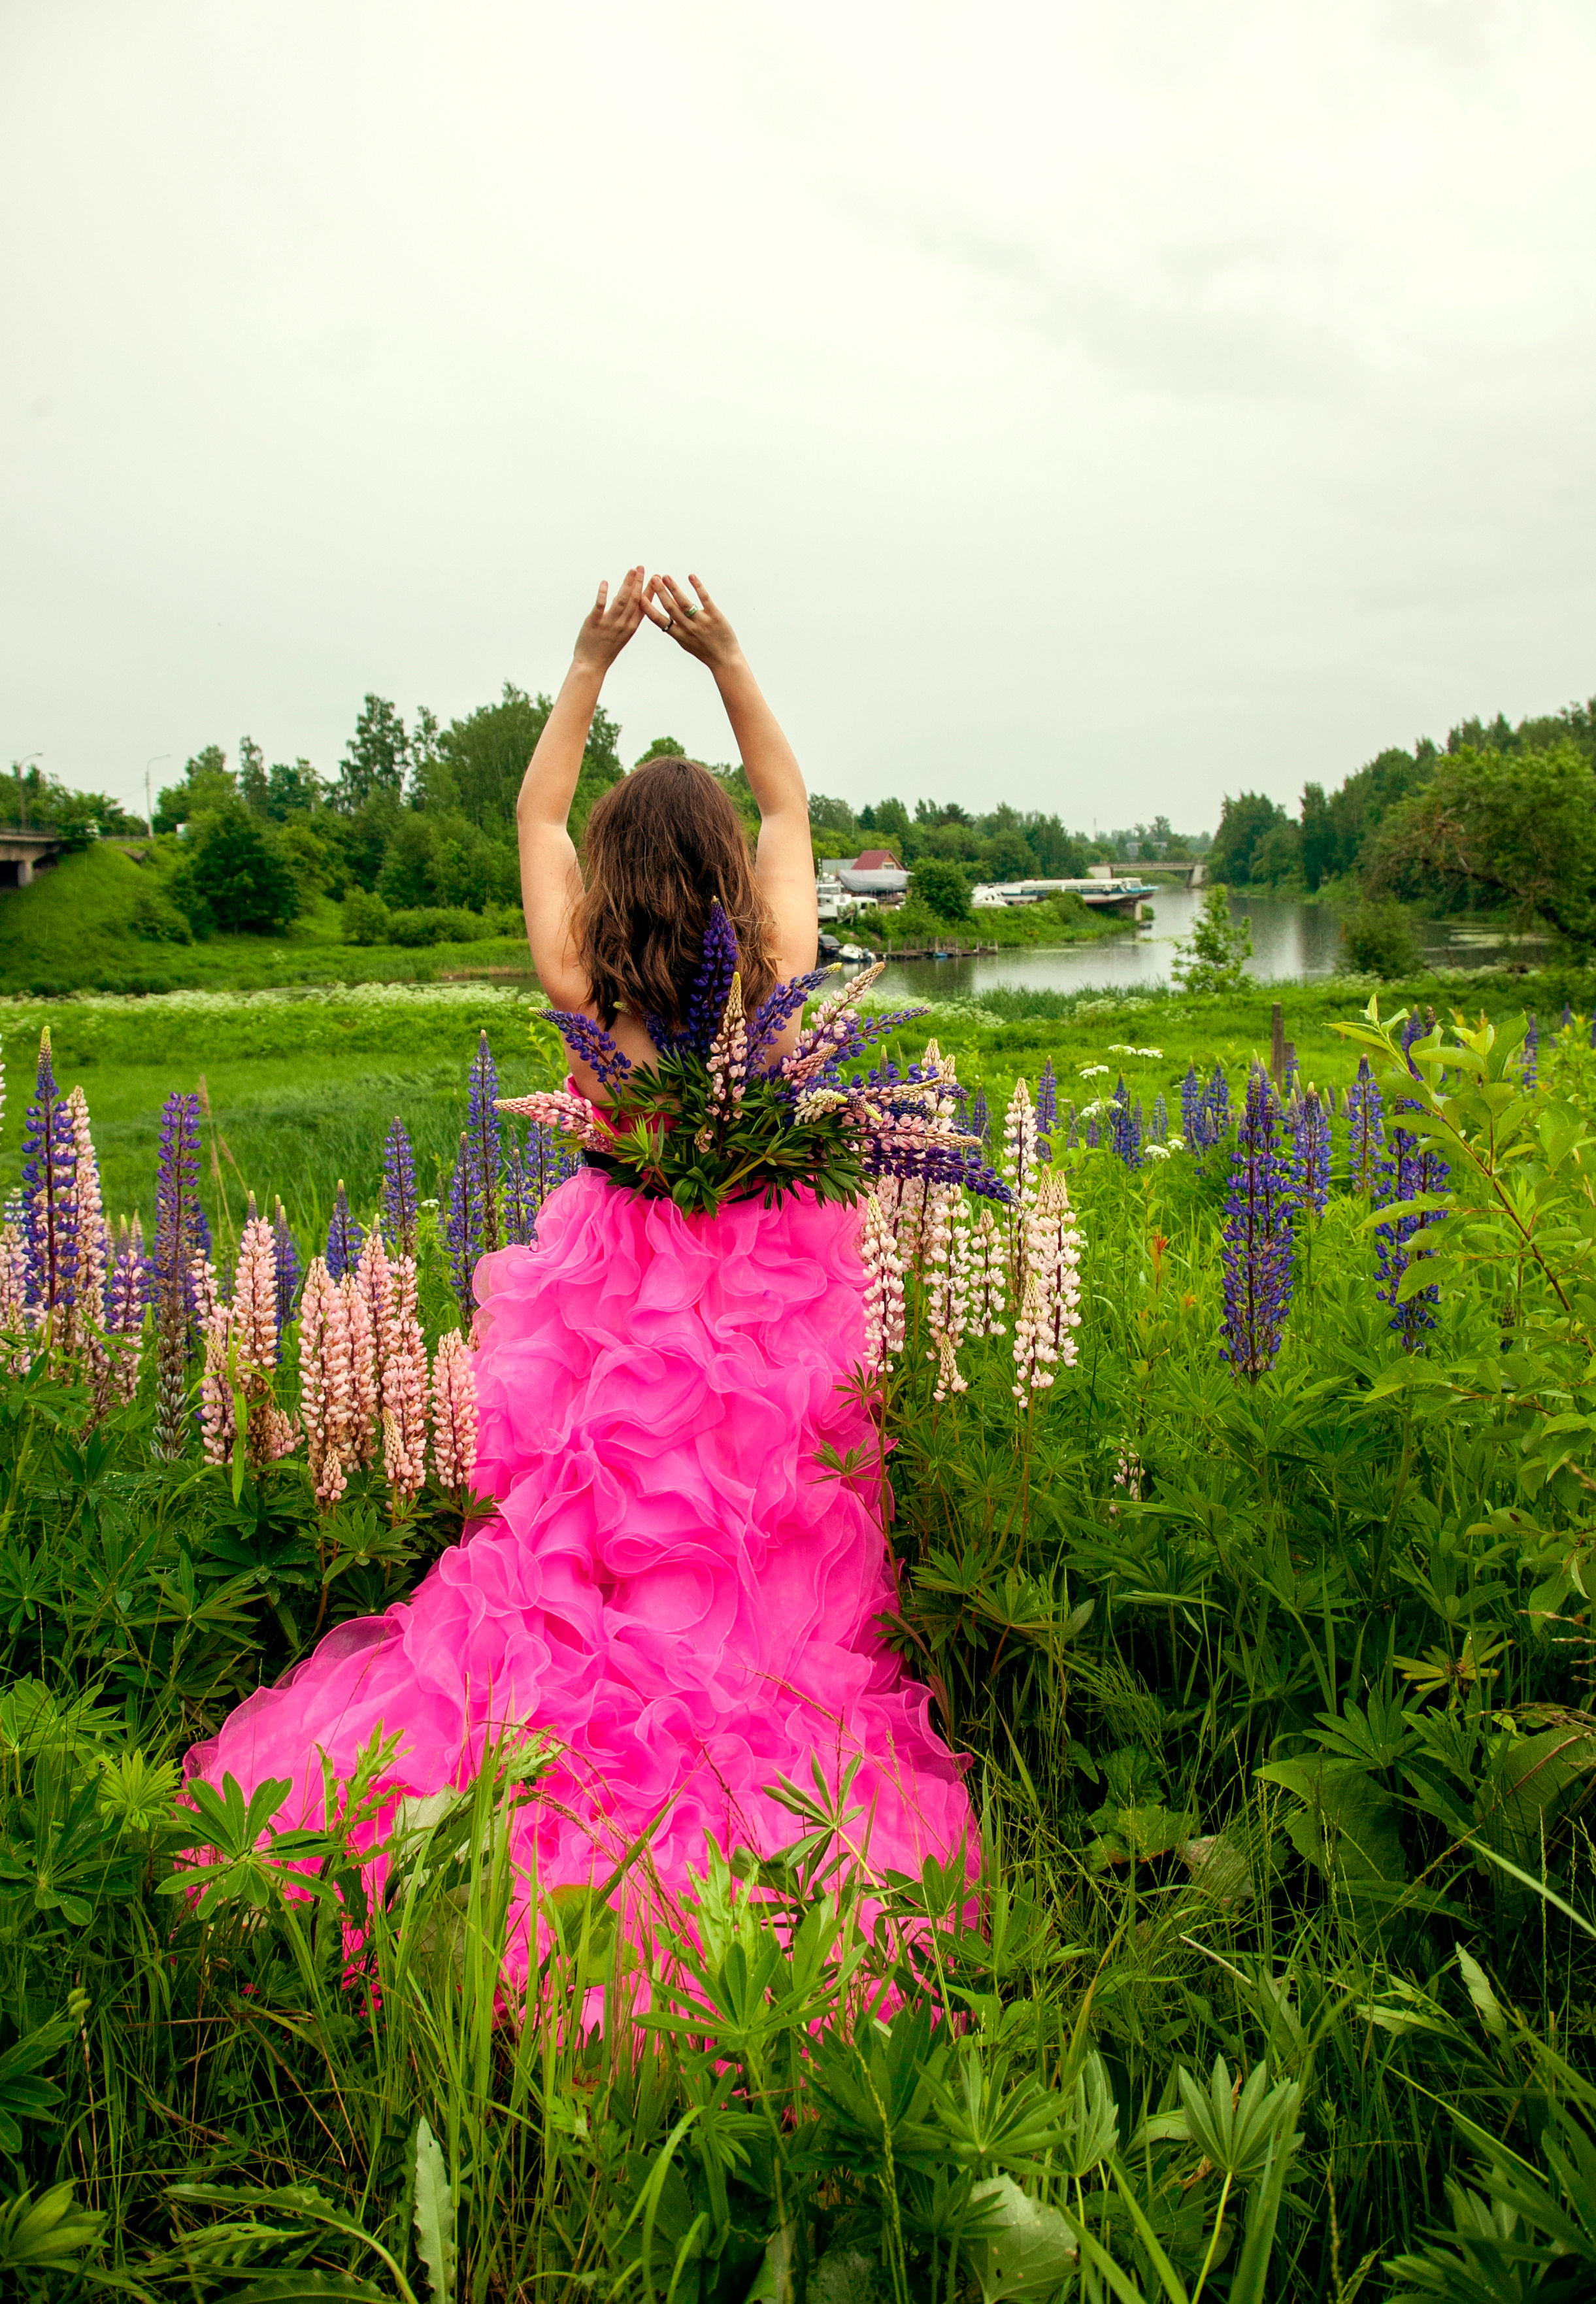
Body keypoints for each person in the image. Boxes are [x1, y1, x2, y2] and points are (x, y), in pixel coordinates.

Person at [184, 571, 977, 1984]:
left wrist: (588, 662)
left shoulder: (581, 967)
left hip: (610, 1281)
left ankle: (558, 1768)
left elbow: (534, 814)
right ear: (728, 869)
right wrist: (728, 656)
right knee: (750, 1547)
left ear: (616, 870)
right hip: (757, 1284)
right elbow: (790, 806)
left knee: (586, 1552)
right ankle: (744, 1801)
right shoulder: (777, 961)